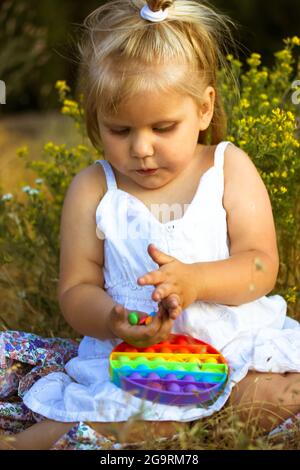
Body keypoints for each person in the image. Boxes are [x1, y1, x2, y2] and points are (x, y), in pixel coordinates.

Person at [1, 0, 300, 450]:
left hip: (235, 350)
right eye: (119, 130)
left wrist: (197, 281)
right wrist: (112, 319)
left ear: (204, 109)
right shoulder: (92, 190)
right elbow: (76, 289)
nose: (141, 148)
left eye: (163, 127)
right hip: (136, 364)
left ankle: (217, 420)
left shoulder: (227, 167)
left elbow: (260, 266)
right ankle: (25, 444)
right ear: (94, 118)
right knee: (142, 425)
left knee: (286, 394)